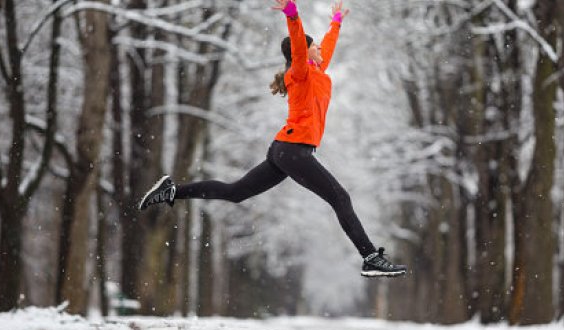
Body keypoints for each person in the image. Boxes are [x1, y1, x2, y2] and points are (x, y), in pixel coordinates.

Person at [138, 0, 406, 278]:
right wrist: (292, 14)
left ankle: (172, 190)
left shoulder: (317, 71)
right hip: (293, 151)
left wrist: (336, 21)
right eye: (313, 47)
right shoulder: (299, 73)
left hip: (284, 150)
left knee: (235, 192)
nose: (318, 51)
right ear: (302, 52)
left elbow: (327, 45)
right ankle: (370, 257)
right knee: (340, 197)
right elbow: (300, 44)